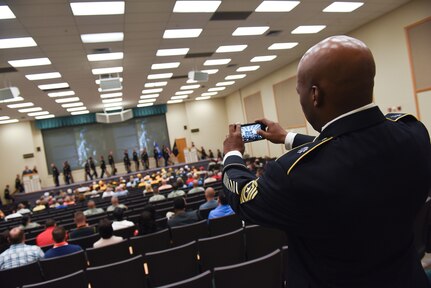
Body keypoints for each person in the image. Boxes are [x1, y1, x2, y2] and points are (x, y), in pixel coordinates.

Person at [221, 35, 431, 288]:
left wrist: (232, 152)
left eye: (299, 92)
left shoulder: (292, 175)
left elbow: (243, 197)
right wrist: (287, 137)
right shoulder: (413, 132)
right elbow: (348, 147)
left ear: (315, 95)